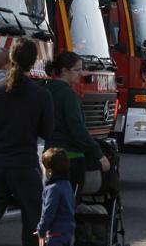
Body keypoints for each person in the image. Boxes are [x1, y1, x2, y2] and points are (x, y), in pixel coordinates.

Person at [0, 38, 55, 246]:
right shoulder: (41, 95)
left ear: (10, 59)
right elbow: (47, 131)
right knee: (34, 221)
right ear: (34, 62)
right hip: (24, 165)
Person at [45, 51, 111, 197]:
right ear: (64, 71)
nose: (80, 73)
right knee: (69, 203)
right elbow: (78, 129)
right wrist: (98, 154)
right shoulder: (68, 96)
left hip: (48, 155)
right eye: (77, 70)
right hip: (70, 157)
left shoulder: (45, 90)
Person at [35, 148, 75, 246]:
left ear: (50, 171)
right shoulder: (67, 184)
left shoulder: (53, 189)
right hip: (67, 233)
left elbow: (48, 213)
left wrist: (41, 230)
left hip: (55, 236)